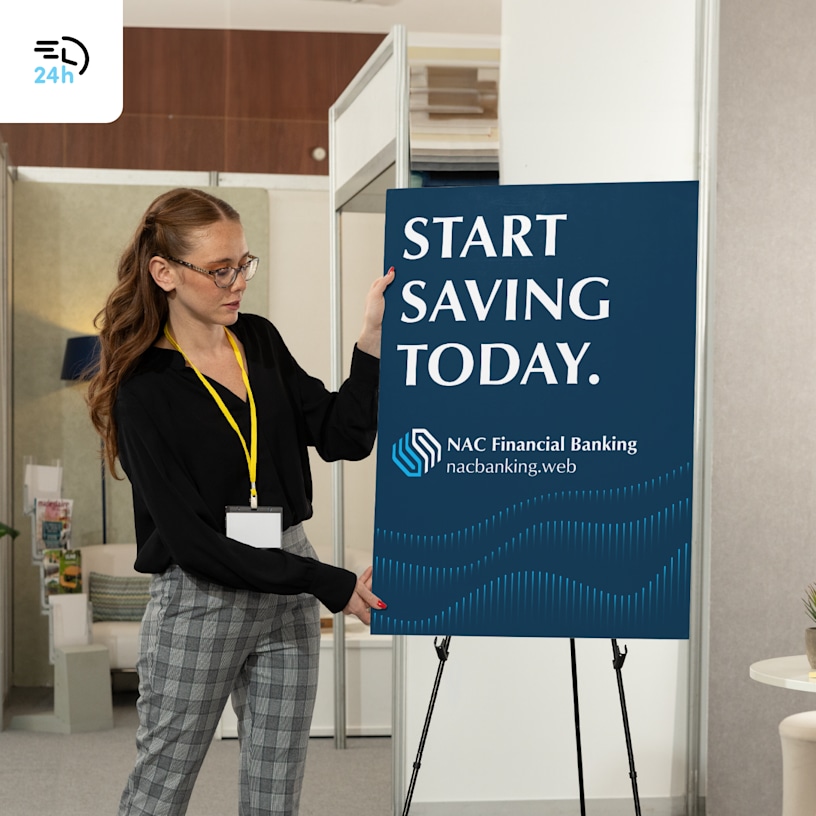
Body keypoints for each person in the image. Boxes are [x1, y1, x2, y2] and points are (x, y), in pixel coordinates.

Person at [86, 187, 394, 816]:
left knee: (275, 789)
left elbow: (343, 437)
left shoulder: (257, 341)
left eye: (244, 264)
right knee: (162, 783)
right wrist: (323, 581)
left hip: (287, 584)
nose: (237, 283)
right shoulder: (142, 390)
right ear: (164, 273)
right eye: (219, 270)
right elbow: (196, 544)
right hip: (203, 596)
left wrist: (371, 343)